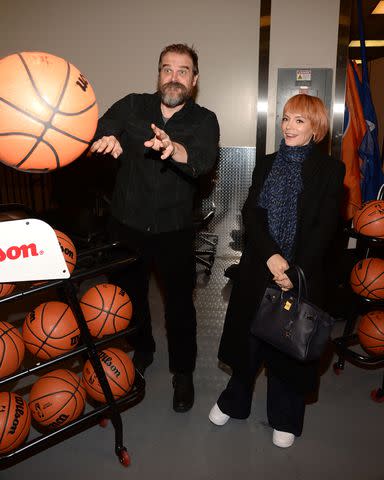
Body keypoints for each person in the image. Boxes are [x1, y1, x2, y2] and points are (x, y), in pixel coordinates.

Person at [209, 94, 345, 447]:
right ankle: (234, 402)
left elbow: (324, 229)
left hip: (303, 271)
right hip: (259, 266)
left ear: (315, 127)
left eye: (299, 120)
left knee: (289, 342)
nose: (288, 126)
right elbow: (252, 213)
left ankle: (285, 415)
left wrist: (292, 270)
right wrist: (271, 257)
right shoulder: (266, 164)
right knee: (248, 340)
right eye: (285, 118)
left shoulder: (331, 170)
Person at [90, 44, 220, 412]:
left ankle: (183, 373)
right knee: (129, 300)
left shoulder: (204, 119)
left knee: (180, 306)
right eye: (167, 69)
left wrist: (173, 147)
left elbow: (202, 159)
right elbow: (103, 125)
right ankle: (143, 348)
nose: (174, 77)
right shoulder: (133, 105)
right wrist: (108, 137)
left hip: (174, 230)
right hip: (126, 225)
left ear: (194, 80)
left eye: (183, 71)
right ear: (158, 74)